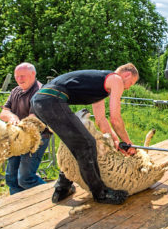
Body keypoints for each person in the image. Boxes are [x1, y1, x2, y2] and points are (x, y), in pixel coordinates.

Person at [31, 63, 139, 205]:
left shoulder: (100, 85)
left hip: (40, 100)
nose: (128, 87)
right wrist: (129, 142)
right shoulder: (116, 79)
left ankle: (62, 187)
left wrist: (116, 141)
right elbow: (115, 118)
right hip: (52, 99)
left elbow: (101, 120)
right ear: (126, 75)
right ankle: (101, 193)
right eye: (130, 83)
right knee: (86, 144)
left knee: (76, 142)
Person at [0, 63, 51, 195]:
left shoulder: (41, 92)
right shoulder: (15, 91)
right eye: (16, 76)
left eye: (22, 76)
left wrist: (16, 123)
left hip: (36, 139)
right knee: (11, 177)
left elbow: (32, 119)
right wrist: (11, 116)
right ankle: (19, 206)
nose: (19, 79)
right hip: (17, 138)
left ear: (33, 74)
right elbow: (3, 113)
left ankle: (53, 194)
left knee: (25, 178)